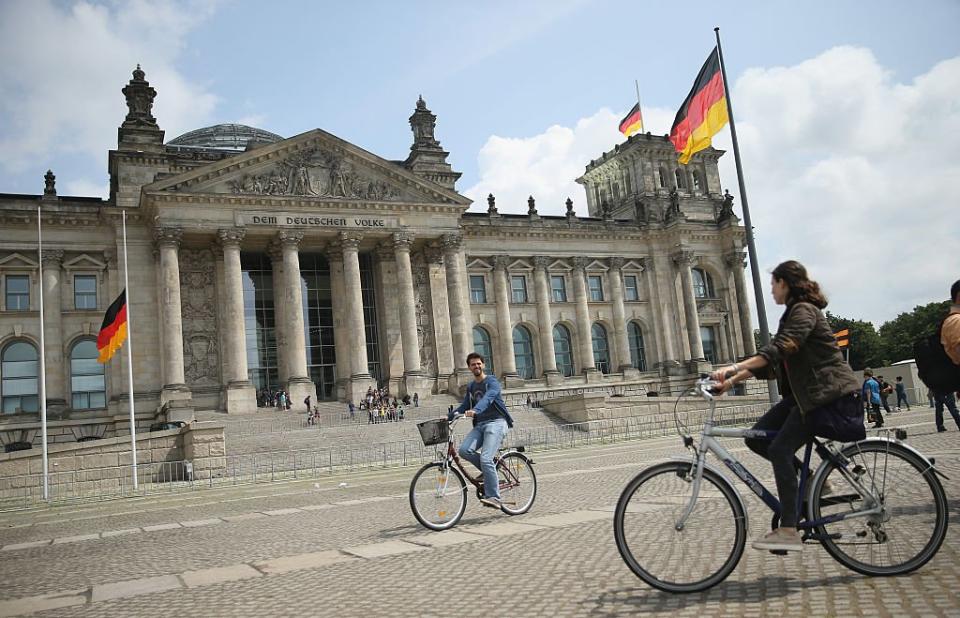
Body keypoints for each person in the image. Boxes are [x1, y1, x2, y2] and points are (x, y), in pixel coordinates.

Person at [709, 260, 861, 552]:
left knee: (779, 448)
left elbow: (781, 349)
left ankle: (789, 528)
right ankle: (812, 478)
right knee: (758, 437)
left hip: (824, 395)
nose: (771, 291)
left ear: (785, 283)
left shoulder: (804, 311)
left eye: (773, 284)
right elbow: (777, 361)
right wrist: (731, 381)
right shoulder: (794, 313)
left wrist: (733, 367)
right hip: (805, 396)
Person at [449, 352, 515, 509]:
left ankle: (494, 496)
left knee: (485, 458)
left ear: (483, 365)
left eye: (478, 363)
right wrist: (449, 417)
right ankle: (493, 467)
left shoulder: (491, 381)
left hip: (497, 422)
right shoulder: (471, 386)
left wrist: (476, 409)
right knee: (465, 451)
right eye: (473, 364)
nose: (476, 366)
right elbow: (465, 406)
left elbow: (489, 397)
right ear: (469, 367)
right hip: (480, 425)